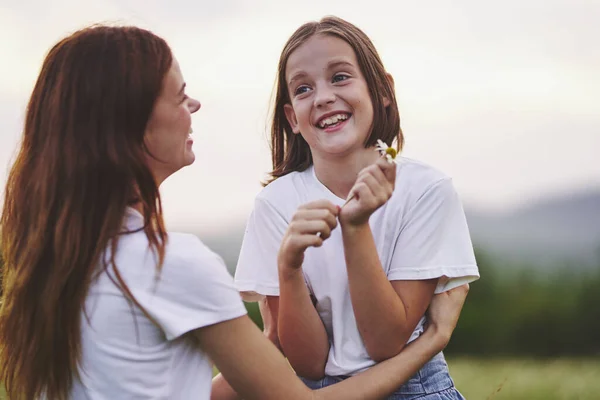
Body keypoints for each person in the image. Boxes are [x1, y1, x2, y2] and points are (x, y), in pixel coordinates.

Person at [0, 25, 469, 400]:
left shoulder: (61, 258)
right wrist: (431, 340)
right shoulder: (175, 265)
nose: (195, 104)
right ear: (130, 124)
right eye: (179, 94)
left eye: (340, 77)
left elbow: (236, 377)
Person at [233, 16, 480, 399]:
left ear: (382, 91)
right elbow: (309, 363)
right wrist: (289, 267)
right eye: (303, 88)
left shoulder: (425, 190)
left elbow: (385, 343)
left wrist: (355, 227)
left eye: (340, 77)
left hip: (413, 388)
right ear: (291, 118)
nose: (323, 96)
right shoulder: (275, 205)